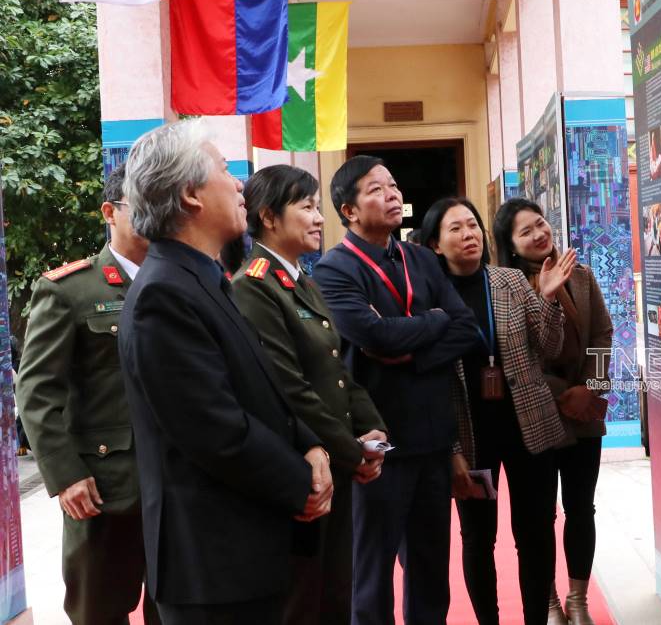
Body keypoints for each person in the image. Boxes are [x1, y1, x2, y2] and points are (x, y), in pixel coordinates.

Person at [118, 120, 332, 624]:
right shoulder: (164, 294)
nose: (239, 184)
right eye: (224, 169)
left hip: (242, 551)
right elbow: (214, 429)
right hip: (211, 566)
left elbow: (257, 386)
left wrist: (310, 444)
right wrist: (300, 480)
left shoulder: (203, 278)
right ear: (190, 195)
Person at [312, 156, 479, 625]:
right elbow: (374, 336)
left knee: (431, 574)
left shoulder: (420, 258)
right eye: (376, 189)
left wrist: (410, 353)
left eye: (393, 186)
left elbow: (465, 328)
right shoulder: (334, 270)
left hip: (432, 438)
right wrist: (431, 322)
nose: (392, 195)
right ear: (348, 210)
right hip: (376, 443)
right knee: (371, 576)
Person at [231, 165, 388, 625]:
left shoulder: (301, 280)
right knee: (303, 602)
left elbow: (336, 371)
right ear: (269, 217)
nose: (320, 218)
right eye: (306, 207)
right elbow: (289, 388)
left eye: (318, 207)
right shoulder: (253, 286)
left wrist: (372, 429)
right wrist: (352, 452)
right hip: (302, 467)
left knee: (334, 594)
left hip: (335, 461)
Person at [16, 164, 160, 625]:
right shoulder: (71, 290)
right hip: (105, 486)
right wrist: (66, 476)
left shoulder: (178, 282)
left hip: (176, 484)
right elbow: (36, 390)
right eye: (141, 206)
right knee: (98, 610)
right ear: (109, 212)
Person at [421, 197, 573, 625]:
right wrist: (450, 448)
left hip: (528, 427)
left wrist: (548, 299)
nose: (469, 234)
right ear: (435, 244)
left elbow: (549, 347)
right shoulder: (429, 295)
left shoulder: (509, 280)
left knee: (535, 533)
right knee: (478, 538)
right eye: (456, 228)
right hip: (469, 434)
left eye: (473, 225)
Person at [493, 198, 612, 625]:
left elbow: (603, 334)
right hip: (536, 416)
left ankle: (578, 599)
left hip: (584, 413)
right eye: (525, 232)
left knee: (581, 508)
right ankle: (547, 602)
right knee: (537, 517)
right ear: (510, 244)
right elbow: (516, 355)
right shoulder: (505, 289)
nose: (538, 234)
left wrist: (590, 389)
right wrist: (565, 393)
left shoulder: (580, 275)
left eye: (540, 224)